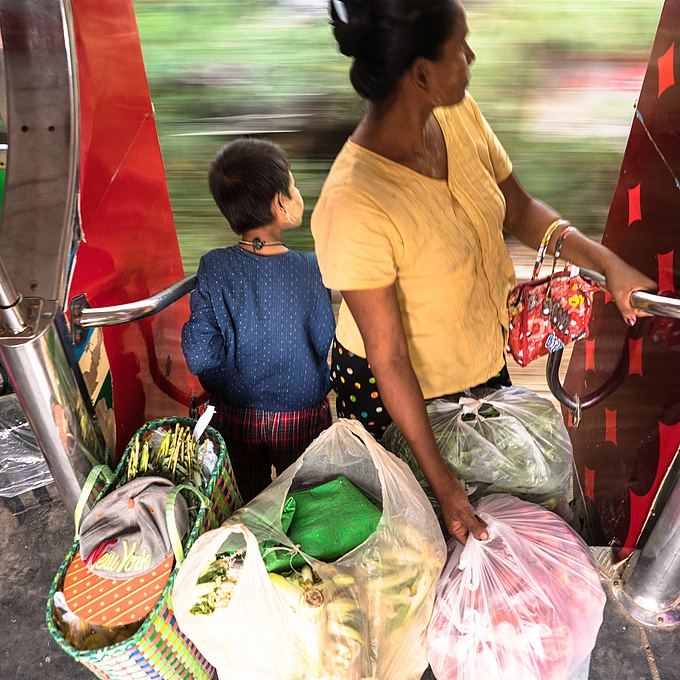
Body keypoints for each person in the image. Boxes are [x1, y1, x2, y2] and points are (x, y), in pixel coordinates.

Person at [311, 0, 657, 543]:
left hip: (477, 364)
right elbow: (389, 357)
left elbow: (518, 209)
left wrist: (605, 263)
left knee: (494, 529)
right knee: (427, 539)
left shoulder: (457, 115)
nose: (471, 57)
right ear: (421, 74)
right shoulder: (354, 202)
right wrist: (444, 484)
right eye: (460, 47)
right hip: (395, 394)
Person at [183, 139, 335, 503]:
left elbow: (199, 354)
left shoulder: (214, 266)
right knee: (306, 499)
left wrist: (234, 384)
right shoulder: (311, 268)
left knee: (246, 501)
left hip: (235, 417)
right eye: (293, 186)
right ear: (279, 202)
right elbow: (322, 337)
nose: (297, 194)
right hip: (301, 415)